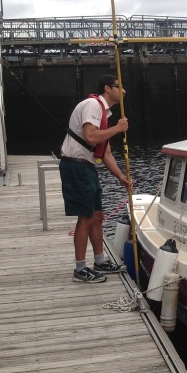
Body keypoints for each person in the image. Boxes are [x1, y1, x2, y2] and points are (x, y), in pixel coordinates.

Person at [59, 74, 131, 283]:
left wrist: (121, 177)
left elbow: (105, 152)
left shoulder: (103, 113)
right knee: (86, 216)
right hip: (76, 165)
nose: (124, 91)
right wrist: (118, 128)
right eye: (120, 86)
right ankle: (80, 269)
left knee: (98, 215)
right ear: (107, 89)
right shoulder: (93, 104)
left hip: (87, 166)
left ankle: (100, 261)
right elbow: (90, 136)